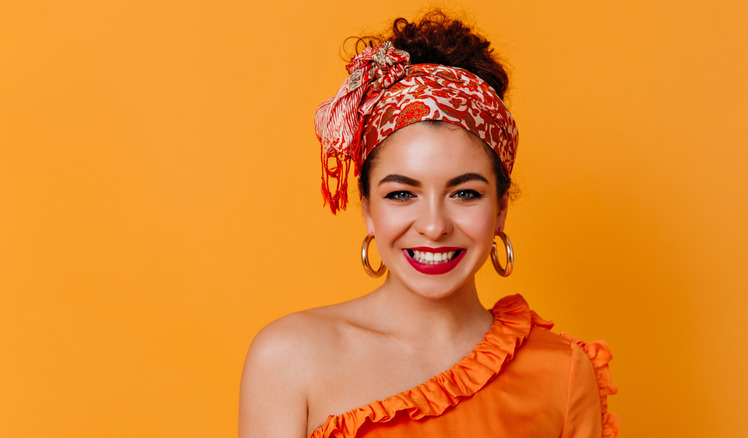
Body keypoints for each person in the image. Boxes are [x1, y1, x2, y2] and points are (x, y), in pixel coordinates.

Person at [239, 11, 618, 438]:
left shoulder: (562, 372)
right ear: (367, 207)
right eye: (402, 193)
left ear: (500, 209)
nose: (434, 226)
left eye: (465, 193)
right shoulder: (289, 358)